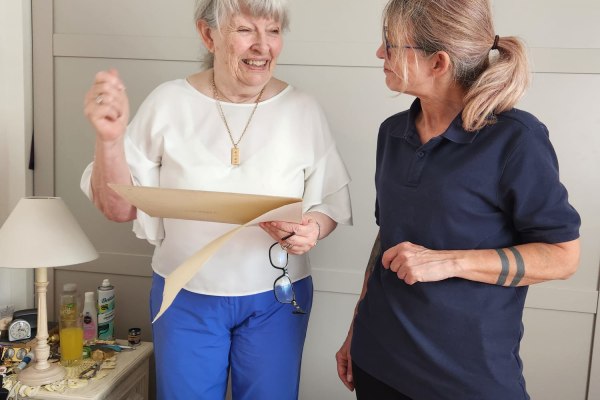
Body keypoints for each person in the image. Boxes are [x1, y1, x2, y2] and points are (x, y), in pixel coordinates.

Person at [80, 0, 352, 399]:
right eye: (246, 30)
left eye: (273, 31)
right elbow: (118, 207)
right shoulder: (167, 102)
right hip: (185, 295)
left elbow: (329, 202)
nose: (263, 46)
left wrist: (311, 228)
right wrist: (108, 141)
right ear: (208, 35)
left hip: (277, 297)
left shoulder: (302, 108)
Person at [335, 0, 581, 399]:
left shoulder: (516, 139)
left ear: (439, 63)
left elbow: (564, 256)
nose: (380, 53)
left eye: (392, 44)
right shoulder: (392, 133)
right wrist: (355, 330)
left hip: (464, 381)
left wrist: (449, 261)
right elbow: (387, 238)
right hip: (377, 361)